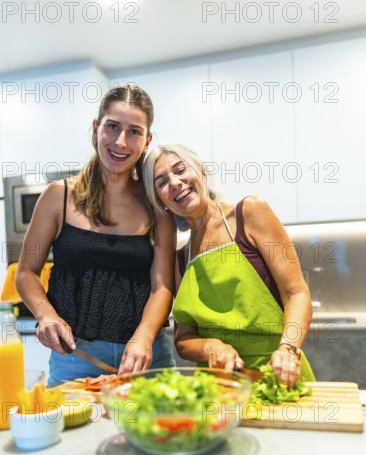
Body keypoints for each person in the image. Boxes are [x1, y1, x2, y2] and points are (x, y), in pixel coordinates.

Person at [16, 84, 176, 384]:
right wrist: (45, 315)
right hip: (76, 358)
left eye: (134, 132)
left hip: (145, 356)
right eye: (112, 127)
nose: (121, 142)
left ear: (147, 140)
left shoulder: (157, 204)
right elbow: (26, 273)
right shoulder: (59, 197)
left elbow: (162, 286)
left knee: (158, 431)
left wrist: (143, 336)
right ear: (96, 128)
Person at [143, 143, 315, 388]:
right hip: (218, 388)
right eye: (161, 182)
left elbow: (296, 293)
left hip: (276, 375)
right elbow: (183, 338)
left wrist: (288, 349)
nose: (175, 183)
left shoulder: (250, 213)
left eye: (180, 170)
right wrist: (209, 347)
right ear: (160, 201)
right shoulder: (180, 259)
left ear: (201, 172)